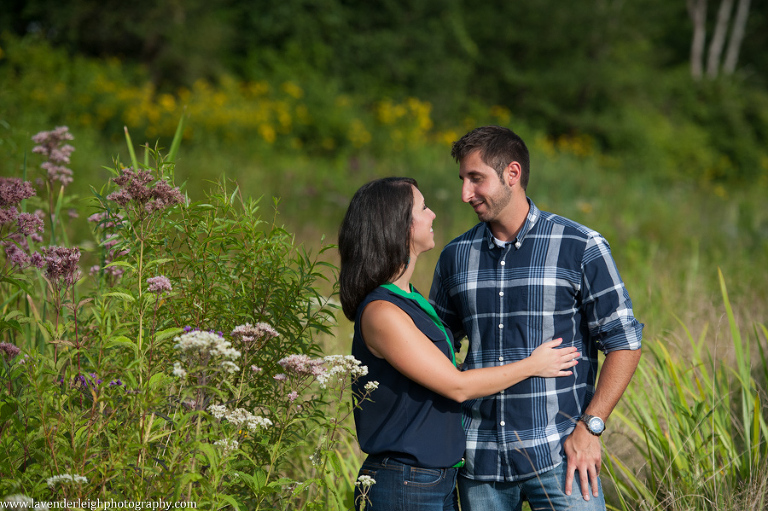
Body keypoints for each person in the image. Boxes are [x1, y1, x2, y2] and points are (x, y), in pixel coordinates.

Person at [429, 126, 643, 511]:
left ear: (512, 173)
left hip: (563, 455)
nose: (465, 194)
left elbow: (624, 341)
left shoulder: (580, 246)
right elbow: (436, 347)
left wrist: (591, 427)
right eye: (462, 180)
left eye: (476, 179)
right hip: (480, 462)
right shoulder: (454, 257)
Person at [339, 177, 581, 511]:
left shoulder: (410, 300)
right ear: (399, 226)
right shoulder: (382, 312)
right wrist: (533, 365)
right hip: (404, 482)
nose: (433, 214)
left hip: (431, 480)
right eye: (423, 208)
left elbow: (442, 374)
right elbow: (456, 386)